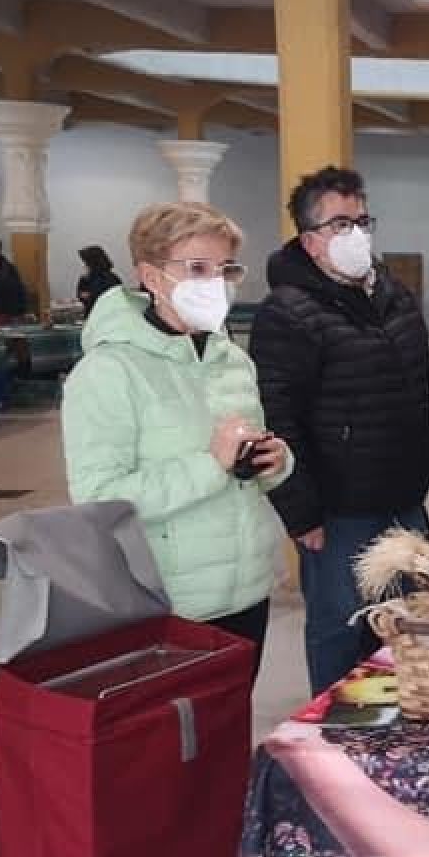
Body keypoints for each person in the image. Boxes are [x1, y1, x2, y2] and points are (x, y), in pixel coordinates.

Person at [61, 203, 292, 671]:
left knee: (227, 730)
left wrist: (275, 461)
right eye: (197, 269)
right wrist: (211, 465)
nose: (217, 283)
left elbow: (248, 468)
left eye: (226, 269)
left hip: (246, 587)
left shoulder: (232, 360)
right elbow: (99, 500)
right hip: (170, 600)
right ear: (150, 276)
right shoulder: (109, 372)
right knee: (175, 739)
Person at [252, 167, 429, 695]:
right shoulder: (288, 313)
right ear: (310, 241)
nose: (355, 233)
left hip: (403, 499)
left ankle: (395, 740)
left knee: (406, 625)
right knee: (343, 631)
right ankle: (339, 743)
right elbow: (278, 419)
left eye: (361, 220)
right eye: (339, 224)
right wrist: (300, 512)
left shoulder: (390, 295)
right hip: (338, 512)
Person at [75, 245, 122, 315]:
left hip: (105, 318)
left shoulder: (109, 278)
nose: (84, 266)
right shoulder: (88, 277)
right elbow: (81, 294)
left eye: (86, 263)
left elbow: (98, 299)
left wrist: (89, 295)